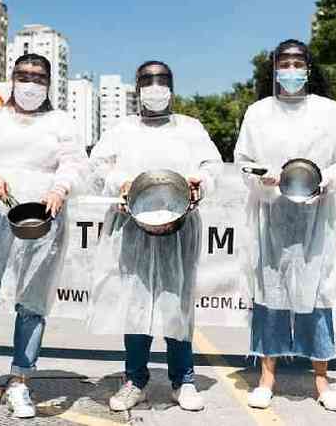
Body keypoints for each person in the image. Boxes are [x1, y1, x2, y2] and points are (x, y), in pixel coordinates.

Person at [0, 54, 89, 418]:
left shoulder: (60, 121)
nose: (30, 83)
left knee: (32, 305)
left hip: (41, 218)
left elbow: (75, 162)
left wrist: (60, 188)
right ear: (11, 78)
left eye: (38, 77)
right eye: (23, 75)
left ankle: (20, 382)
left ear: (49, 82)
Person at [87, 61, 223, 412]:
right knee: (136, 302)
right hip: (134, 227)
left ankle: (184, 379)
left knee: (177, 302)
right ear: (137, 88)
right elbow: (97, 165)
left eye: (162, 80)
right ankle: (135, 380)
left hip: (180, 226)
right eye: (148, 80)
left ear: (172, 87)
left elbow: (212, 166)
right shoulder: (122, 129)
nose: (155, 87)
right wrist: (121, 181)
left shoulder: (190, 128)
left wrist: (199, 182)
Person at [234, 39, 336, 412]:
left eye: (297, 62)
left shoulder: (329, 111)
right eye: (284, 63)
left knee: (316, 293)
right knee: (271, 292)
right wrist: (263, 176)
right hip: (270, 214)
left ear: (308, 67)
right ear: (273, 69)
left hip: (315, 215)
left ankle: (321, 381)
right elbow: (243, 160)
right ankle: (267, 378)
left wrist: (327, 180)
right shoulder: (258, 113)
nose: (291, 70)